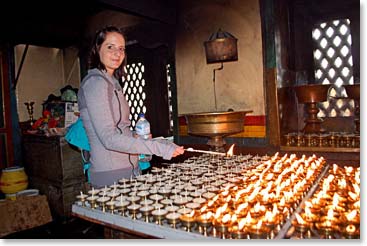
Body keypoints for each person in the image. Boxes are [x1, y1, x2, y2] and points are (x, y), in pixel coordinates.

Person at [77, 26, 184, 188]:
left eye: (121, 48)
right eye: (110, 47)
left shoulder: (113, 83)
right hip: (110, 174)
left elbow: (121, 130)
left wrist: (141, 138)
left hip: (130, 169)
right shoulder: (95, 83)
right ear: (97, 48)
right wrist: (157, 148)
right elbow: (108, 138)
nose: (117, 53)